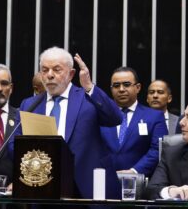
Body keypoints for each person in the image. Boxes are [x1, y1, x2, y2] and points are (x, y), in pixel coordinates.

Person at [9, 46, 122, 199]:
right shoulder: (29, 105)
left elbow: (115, 118)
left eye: (57, 70)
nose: (49, 75)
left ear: (71, 74)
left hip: (87, 186)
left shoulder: (88, 97)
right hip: (43, 187)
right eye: (44, 70)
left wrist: (89, 86)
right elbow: (14, 145)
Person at [100, 67, 168, 178]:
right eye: (116, 86)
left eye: (126, 84)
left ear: (138, 87)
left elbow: (158, 149)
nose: (121, 89)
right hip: (105, 180)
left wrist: (135, 171)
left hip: (141, 182)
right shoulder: (101, 116)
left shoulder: (154, 116)